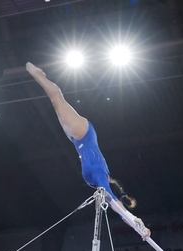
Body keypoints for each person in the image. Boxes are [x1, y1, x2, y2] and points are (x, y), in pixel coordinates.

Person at [26, 62, 151, 238]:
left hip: (82, 135)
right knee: (56, 99)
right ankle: (37, 74)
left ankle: (35, 73)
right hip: (78, 136)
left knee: (56, 97)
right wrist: (135, 222)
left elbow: (113, 201)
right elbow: (115, 203)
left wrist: (134, 220)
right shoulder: (96, 179)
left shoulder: (100, 176)